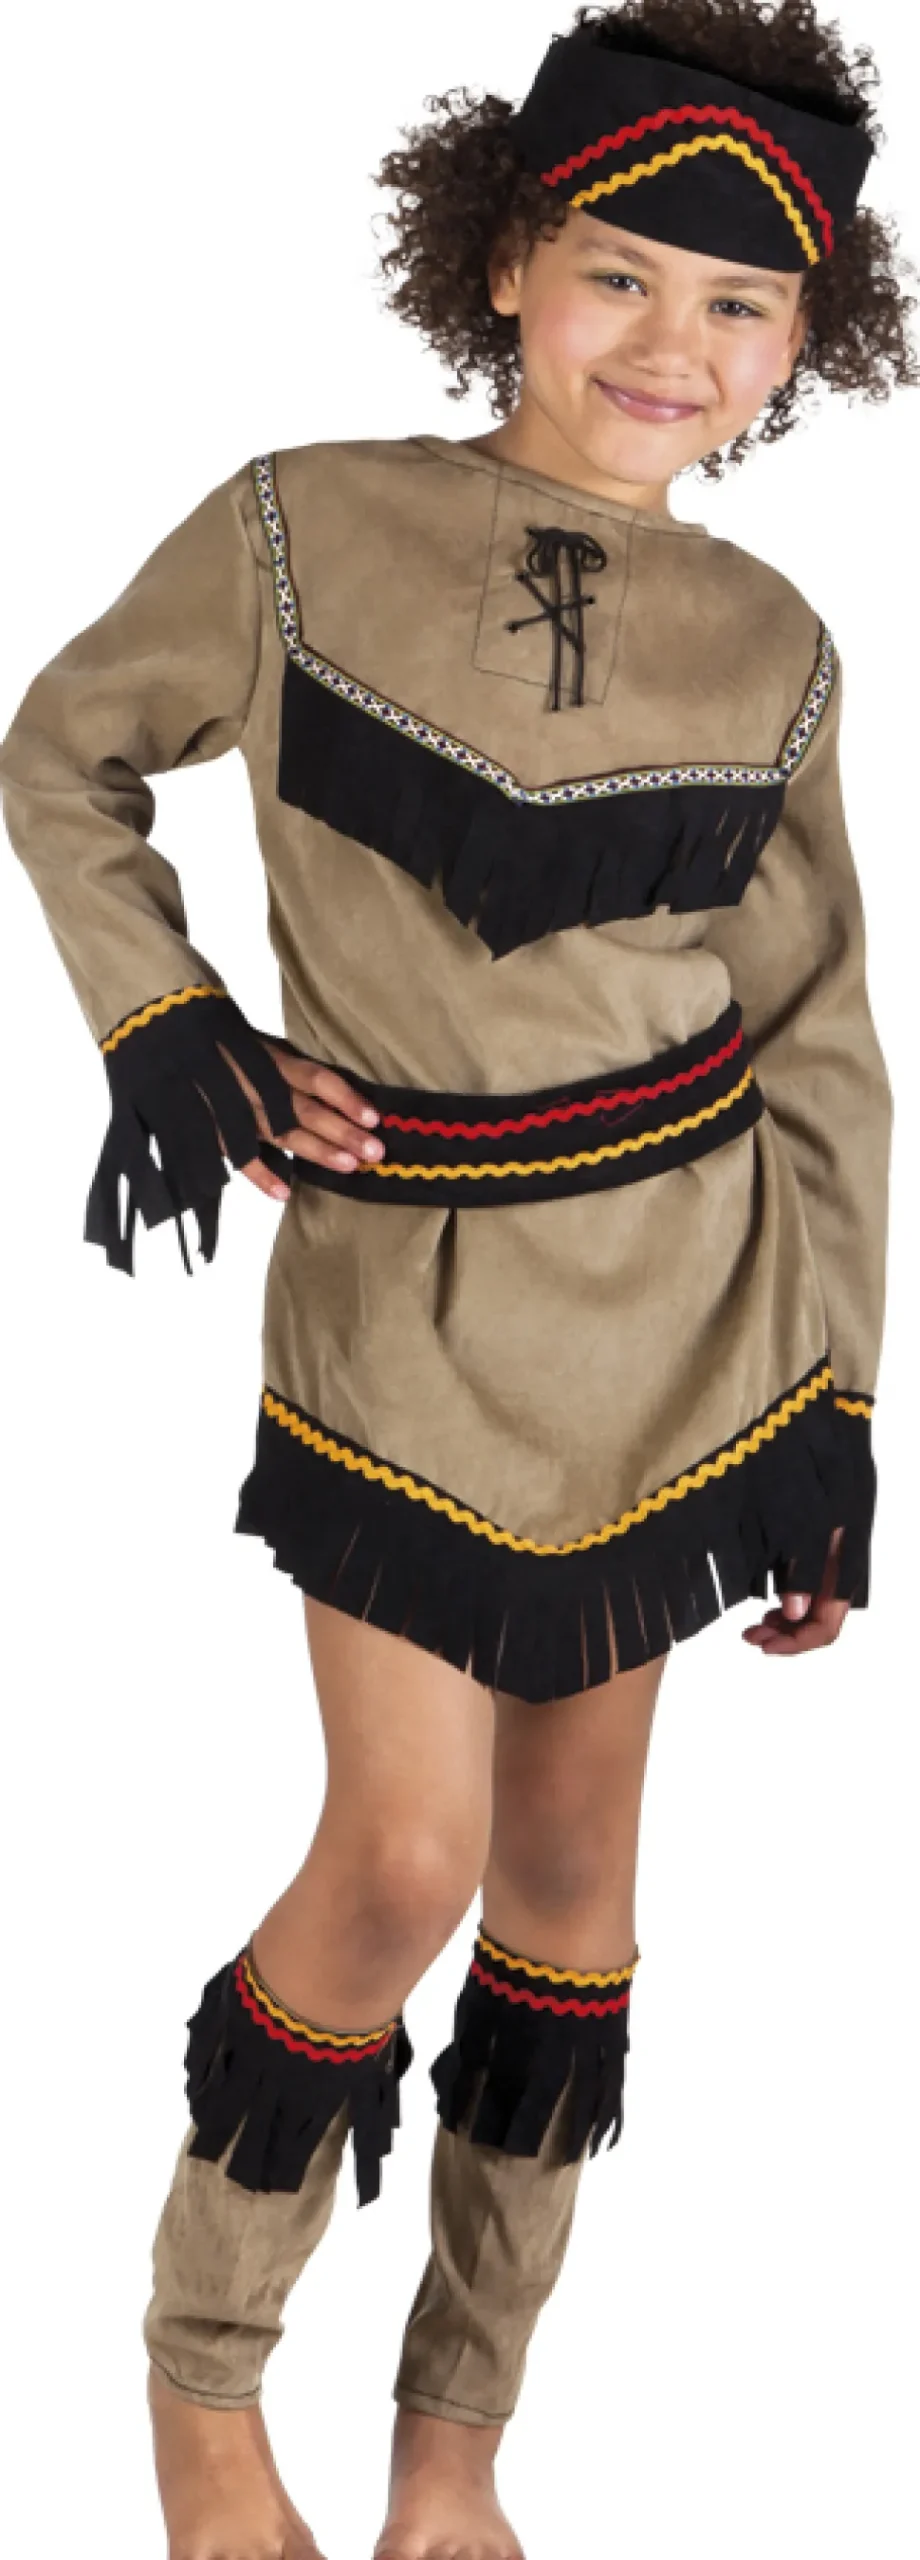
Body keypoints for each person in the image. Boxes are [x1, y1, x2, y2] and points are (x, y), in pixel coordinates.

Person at [0, 5, 911, 2555]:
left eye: (739, 305)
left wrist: (834, 1411)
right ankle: (199, 2385)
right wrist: (171, 1023)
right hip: (401, 1303)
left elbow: (820, 1045)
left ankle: (451, 2454)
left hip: (690, 1330)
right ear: (504, 261)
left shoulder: (774, 644)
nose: (670, 344)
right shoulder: (302, 528)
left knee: (573, 1897)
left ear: (805, 339)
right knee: (396, 1860)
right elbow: (60, 752)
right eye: (618, 273)